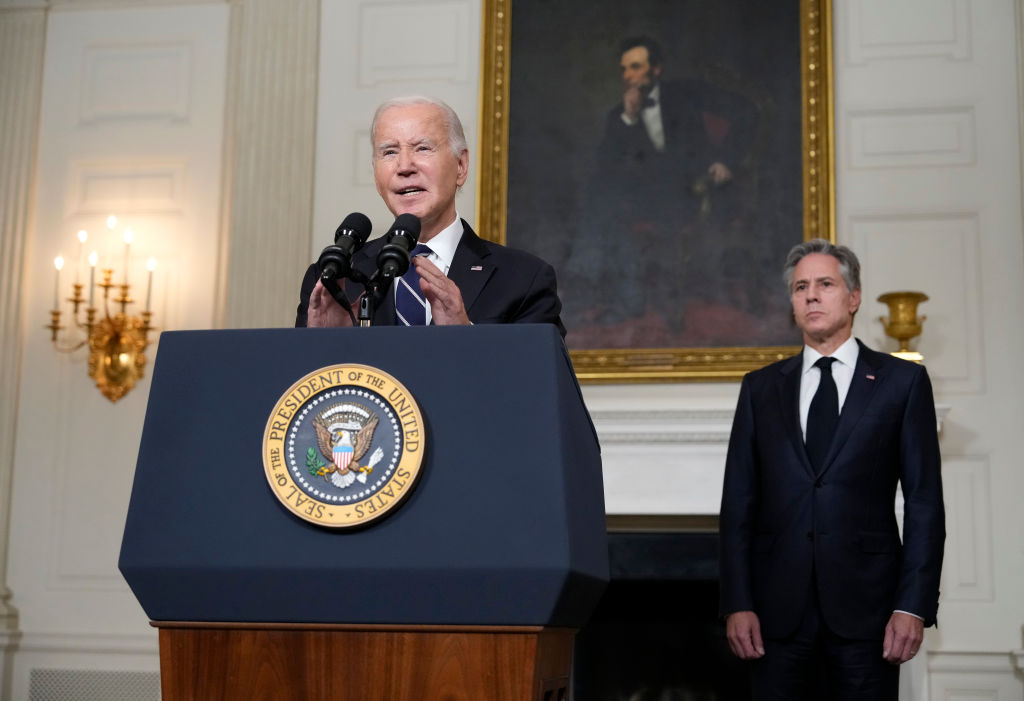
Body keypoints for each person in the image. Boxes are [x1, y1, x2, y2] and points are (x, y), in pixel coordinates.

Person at [718, 238, 945, 699]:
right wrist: (736, 602)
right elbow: (738, 504)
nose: (811, 296)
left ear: (854, 296)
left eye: (825, 284)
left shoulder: (901, 382)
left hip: (870, 616)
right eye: (801, 287)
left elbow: (924, 503)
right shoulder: (761, 388)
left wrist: (913, 606)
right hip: (775, 619)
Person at [295, 96, 565, 336]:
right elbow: (299, 387)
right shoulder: (332, 278)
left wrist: (466, 338)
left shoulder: (524, 279)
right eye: (389, 152)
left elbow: (539, 386)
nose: (404, 167)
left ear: (461, 166)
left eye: (422, 148)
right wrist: (328, 347)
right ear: (376, 174)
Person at [566, 36, 757, 333]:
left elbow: (746, 111)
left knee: (604, 207)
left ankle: (608, 294)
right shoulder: (619, 115)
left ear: (656, 70)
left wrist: (726, 161)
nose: (627, 75)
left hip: (698, 192)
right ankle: (617, 294)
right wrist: (629, 119)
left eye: (636, 67)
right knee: (602, 203)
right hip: (651, 198)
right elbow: (604, 169)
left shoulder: (689, 94)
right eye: (624, 69)